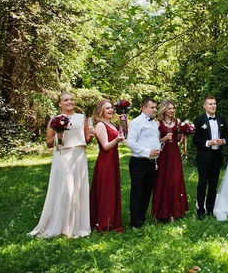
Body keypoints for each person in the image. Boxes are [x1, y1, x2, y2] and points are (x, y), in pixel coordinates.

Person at [30, 92, 93, 238]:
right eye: (66, 100)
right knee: (66, 189)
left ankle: (78, 225)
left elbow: (87, 139)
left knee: (78, 188)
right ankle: (61, 225)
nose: (69, 102)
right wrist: (58, 137)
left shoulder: (81, 117)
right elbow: (48, 144)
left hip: (79, 155)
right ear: (60, 103)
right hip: (63, 155)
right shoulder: (54, 119)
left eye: (72, 99)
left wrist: (90, 135)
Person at [89, 99, 124, 233]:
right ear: (101, 111)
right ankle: (104, 223)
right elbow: (105, 146)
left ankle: (112, 221)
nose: (111, 110)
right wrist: (117, 140)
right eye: (107, 108)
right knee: (106, 191)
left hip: (113, 159)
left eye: (111, 108)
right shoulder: (100, 125)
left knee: (112, 190)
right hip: (106, 160)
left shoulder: (111, 123)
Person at [151, 100, 189, 221]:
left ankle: (175, 211)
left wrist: (182, 137)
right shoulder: (158, 123)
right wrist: (164, 138)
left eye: (173, 108)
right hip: (163, 155)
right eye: (169, 109)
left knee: (175, 180)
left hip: (175, 155)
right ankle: (163, 212)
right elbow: (155, 141)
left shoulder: (177, 122)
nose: (172, 111)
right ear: (164, 110)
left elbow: (177, 139)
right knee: (163, 179)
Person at [192, 95, 228, 220]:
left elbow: (226, 137)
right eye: (210, 104)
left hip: (216, 156)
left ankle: (211, 209)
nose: (213, 106)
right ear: (204, 106)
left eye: (214, 103)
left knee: (213, 184)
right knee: (202, 183)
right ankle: (201, 210)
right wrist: (209, 142)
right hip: (204, 156)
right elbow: (195, 139)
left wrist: (222, 141)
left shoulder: (221, 119)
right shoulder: (199, 120)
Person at [126, 98, 161, 228]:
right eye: (152, 107)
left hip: (151, 162)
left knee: (147, 191)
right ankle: (135, 222)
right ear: (143, 108)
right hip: (139, 162)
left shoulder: (154, 124)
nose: (155, 110)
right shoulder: (136, 122)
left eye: (155, 107)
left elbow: (154, 141)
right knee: (137, 192)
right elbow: (130, 142)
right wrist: (147, 152)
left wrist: (155, 160)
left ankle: (142, 217)